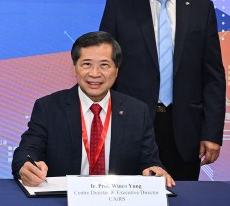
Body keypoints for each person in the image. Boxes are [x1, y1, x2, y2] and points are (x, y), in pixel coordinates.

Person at [99, 0, 226, 181]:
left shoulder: (202, 9)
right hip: (130, 124)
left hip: (184, 130)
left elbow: (213, 76)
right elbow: (104, 68)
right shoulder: (119, 6)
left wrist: (212, 132)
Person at [12, 31, 174, 188]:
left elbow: (149, 161)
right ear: (75, 68)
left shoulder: (137, 111)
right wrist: (26, 165)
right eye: (87, 64)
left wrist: (154, 171)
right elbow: (28, 150)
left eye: (104, 65)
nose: (95, 73)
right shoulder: (48, 107)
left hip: (118, 200)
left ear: (117, 70)